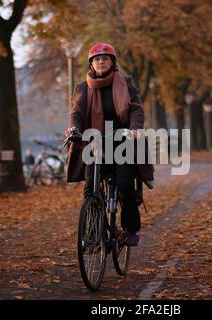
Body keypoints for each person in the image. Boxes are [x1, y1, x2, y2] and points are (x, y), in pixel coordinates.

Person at [65, 43, 154, 246]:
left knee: (124, 185)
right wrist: (73, 129)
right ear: (91, 64)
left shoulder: (126, 83)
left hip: (122, 141)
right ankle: (93, 233)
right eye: (97, 59)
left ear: (112, 62)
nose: (101, 61)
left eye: (105, 58)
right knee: (90, 189)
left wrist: (135, 128)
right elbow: (76, 114)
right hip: (95, 143)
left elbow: (136, 109)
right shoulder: (82, 88)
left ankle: (130, 229)